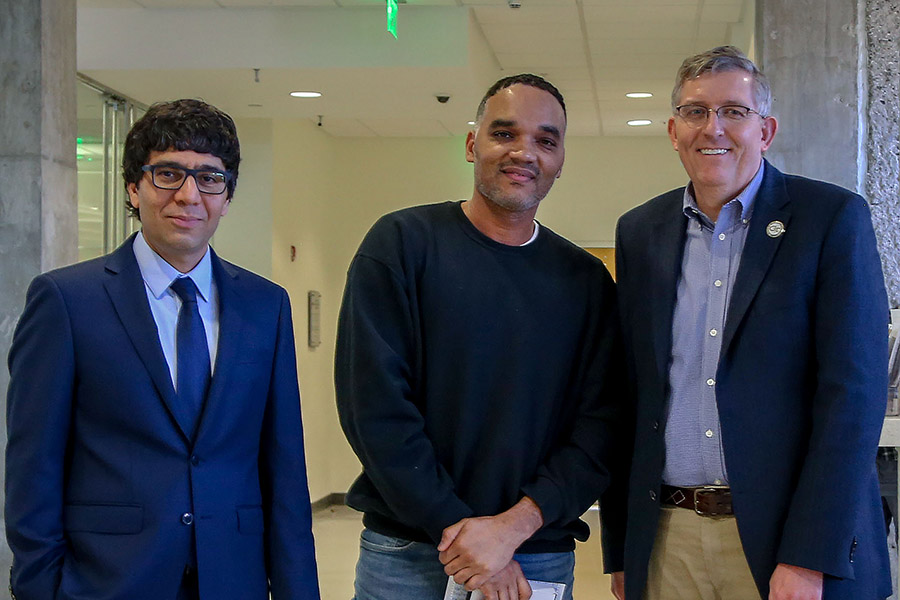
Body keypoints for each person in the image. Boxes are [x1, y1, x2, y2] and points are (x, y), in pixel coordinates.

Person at [5, 99, 320, 600]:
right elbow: (33, 465)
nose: (189, 195)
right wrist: (42, 587)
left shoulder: (265, 305)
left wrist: (297, 589)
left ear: (227, 194)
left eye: (209, 178)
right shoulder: (67, 301)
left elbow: (283, 464)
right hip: (108, 580)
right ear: (134, 187)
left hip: (232, 578)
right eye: (168, 174)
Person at [335, 74, 629, 600]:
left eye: (545, 139)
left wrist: (511, 529)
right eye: (504, 133)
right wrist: (466, 539)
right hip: (408, 554)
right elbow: (374, 409)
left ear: (561, 159)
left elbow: (601, 429)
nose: (524, 152)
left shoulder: (585, 282)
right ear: (473, 145)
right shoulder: (402, 246)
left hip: (536, 550)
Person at [616, 46, 891, 600]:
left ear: (765, 130)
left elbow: (854, 396)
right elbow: (632, 392)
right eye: (695, 112)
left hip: (783, 543)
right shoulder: (639, 231)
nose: (712, 128)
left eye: (733, 112)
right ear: (673, 130)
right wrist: (626, 548)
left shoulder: (830, 219)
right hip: (669, 536)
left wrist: (809, 555)